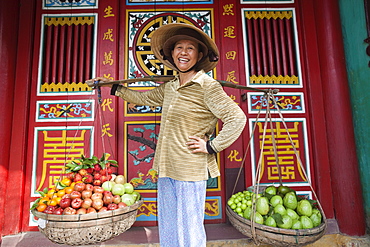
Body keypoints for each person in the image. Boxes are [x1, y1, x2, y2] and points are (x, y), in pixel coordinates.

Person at [87, 23, 246, 247]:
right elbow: (144, 99)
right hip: (166, 166)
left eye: (190, 48)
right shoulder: (170, 87)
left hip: (190, 168)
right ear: (171, 54)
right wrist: (113, 88)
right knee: (169, 223)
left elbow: (237, 118)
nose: (183, 52)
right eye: (178, 47)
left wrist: (211, 146)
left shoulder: (207, 86)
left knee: (190, 226)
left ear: (199, 55)